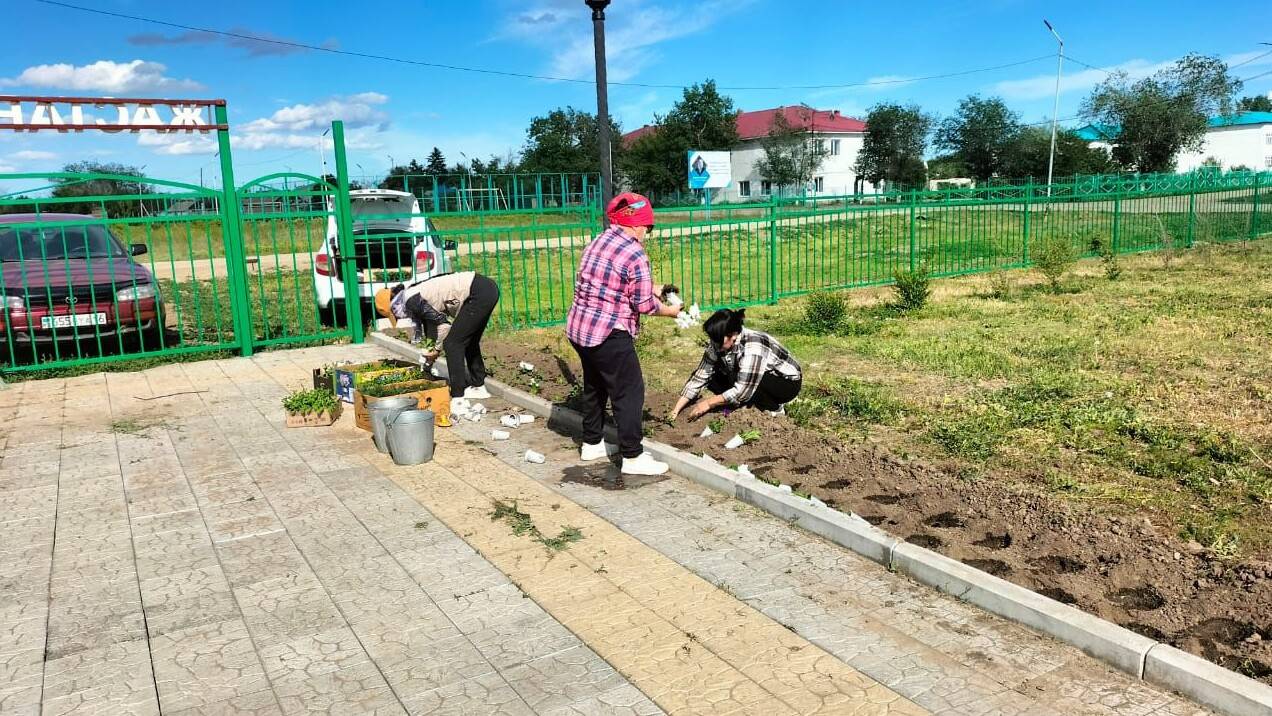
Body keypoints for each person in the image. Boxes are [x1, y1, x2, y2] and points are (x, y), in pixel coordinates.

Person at [566, 192, 681, 476]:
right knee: (629, 390)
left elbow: (609, 282)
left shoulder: (600, 240)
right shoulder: (635, 252)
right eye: (648, 227)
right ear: (637, 224)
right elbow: (643, 305)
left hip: (581, 327)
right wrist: (672, 312)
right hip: (609, 332)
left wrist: (652, 288)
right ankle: (632, 456)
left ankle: (592, 442)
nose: (647, 234)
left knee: (596, 385)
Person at [375, 271, 499, 416]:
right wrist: (429, 357)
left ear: (393, 305)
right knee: (468, 340)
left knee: (453, 344)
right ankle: (479, 386)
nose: (398, 316)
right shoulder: (412, 295)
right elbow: (432, 328)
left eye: (394, 314)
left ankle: (458, 399)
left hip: (478, 292)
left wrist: (436, 350)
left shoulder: (411, 300)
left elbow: (443, 325)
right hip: (486, 288)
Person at [669, 308, 802, 421]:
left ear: (732, 335)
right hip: (751, 379)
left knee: (747, 382)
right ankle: (744, 403)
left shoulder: (753, 345)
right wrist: (676, 410)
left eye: (717, 340)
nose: (714, 344)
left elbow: (743, 390)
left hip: (785, 383)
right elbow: (700, 376)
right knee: (713, 378)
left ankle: (775, 409)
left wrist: (709, 403)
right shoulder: (719, 344)